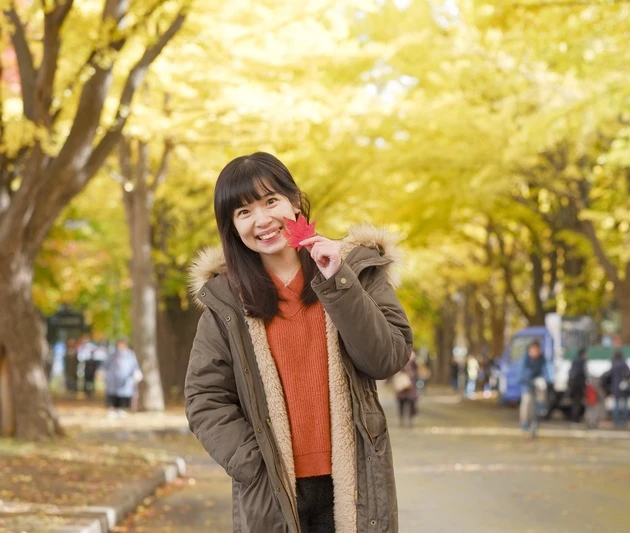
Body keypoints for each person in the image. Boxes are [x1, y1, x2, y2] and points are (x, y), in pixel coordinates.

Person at [185, 152, 413, 533]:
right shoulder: (226, 302)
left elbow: (387, 358)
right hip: (273, 488)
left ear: (294, 201)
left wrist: (339, 281)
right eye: (244, 212)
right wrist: (253, 464)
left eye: (270, 201)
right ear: (232, 227)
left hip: (353, 484)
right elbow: (204, 397)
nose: (262, 220)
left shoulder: (354, 269)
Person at [104, 339, 141, 414]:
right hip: (113, 379)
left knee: (123, 395)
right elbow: (106, 365)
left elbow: (134, 365)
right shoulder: (112, 354)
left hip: (126, 380)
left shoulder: (130, 355)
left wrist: (137, 373)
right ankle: (112, 409)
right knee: (113, 395)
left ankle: (122, 409)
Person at [519, 340, 546, 434]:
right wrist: (528, 379)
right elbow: (521, 373)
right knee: (526, 403)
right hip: (526, 384)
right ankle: (524, 423)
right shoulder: (525, 359)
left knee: (542, 387)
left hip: (537, 383)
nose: (535, 352)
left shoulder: (541, 358)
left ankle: (541, 405)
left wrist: (544, 378)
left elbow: (545, 370)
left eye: (537, 350)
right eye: (533, 350)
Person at [602, 351, 630, 428]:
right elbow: (629, 374)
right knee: (625, 405)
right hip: (624, 388)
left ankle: (616, 422)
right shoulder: (625, 364)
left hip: (615, 388)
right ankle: (624, 421)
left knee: (616, 404)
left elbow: (608, 376)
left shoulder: (614, 365)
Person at [393, 352, 418, 428]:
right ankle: (402, 419)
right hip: (402, 388)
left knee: (411, 405)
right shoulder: (400, 363)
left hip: (410, 389)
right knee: (402, 404)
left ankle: (410, 420)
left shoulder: (413, 364)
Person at [567, 348, 588, 423]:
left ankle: (572, 418)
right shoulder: (581, 361)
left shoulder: (574, 360)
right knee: (577, 402)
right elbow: (583, 373)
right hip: (578, 385)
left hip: (572, 384)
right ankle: (575, 419)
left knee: (574, 402)